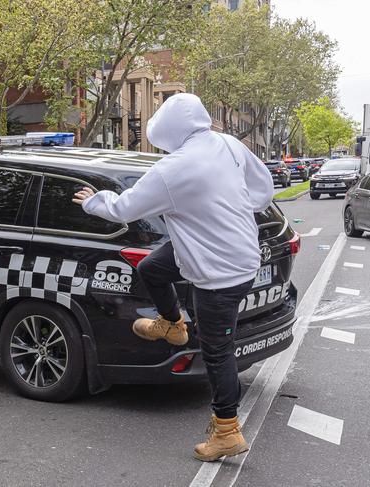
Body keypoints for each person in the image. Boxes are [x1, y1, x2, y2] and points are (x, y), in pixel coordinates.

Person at [72, 93, 273, 462]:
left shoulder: (172, 169)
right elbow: (262, 191)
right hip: (237, 251)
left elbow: (124, 207)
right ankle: (172, 324)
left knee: (217, 353)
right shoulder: (227, 144)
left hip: (219, 274)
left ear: (167, 132)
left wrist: (92, 200)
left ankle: (227, 431)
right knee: (152, 267)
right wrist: (226, 212)